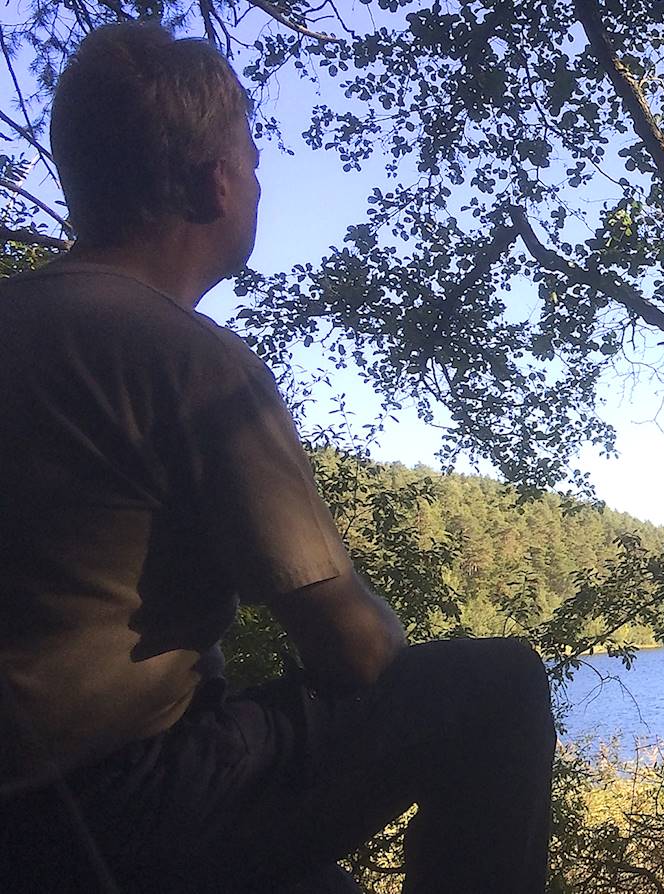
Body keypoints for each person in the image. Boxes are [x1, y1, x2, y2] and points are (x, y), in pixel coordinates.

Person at [0, 22, 554, 893]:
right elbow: (356, 652)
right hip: (127, 811)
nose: (259, 182)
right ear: (215, 183)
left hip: (27, 832)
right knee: (498, 692)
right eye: (253, 160)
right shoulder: (185, 361)